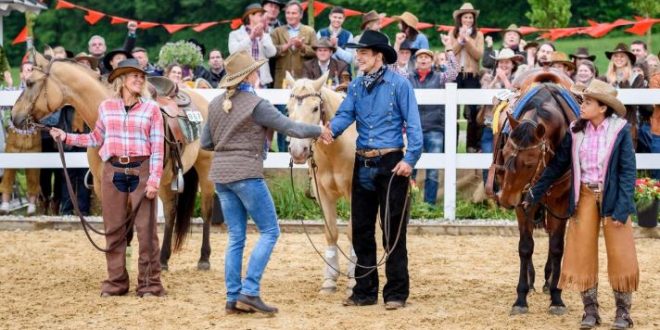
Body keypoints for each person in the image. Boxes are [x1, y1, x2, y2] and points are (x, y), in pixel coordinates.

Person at [200, 50, 332, 314]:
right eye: (255, 70)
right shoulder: (256, 104)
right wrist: (319, 129)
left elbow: (206, 143)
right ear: (249, 75)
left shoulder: (215, 104)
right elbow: (291, 127)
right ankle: (250, 292)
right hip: (246, 173)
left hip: (221, 176)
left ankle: (232, 297)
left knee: (236, 237)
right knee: (270, 231)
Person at [523, 79, 639, 330]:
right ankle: (590, 310)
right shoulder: (576, 131)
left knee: (621, 254)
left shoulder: (620, 131)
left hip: (612, 196)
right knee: (581, 252)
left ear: (603, 108)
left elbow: (628, 172)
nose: (582, 106)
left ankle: (623, 312)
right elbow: (557, 165)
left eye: (587, 102)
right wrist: (535, 191)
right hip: (584, 195)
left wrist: (622, 206)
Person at [49, 58, 166, 298]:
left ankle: (149, 284)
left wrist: (154, 179)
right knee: (113, 228)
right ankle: (116, 282)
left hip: (141, 169)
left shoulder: (151, 109)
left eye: (141, 76)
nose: (139, 79)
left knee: (146, 230)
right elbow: (96, 138)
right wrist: (66, 137)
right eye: (134, 76)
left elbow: (157, 148)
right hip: (112, 170)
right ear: (121, 80)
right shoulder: (107, 108)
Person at [329, 30, 423, 310]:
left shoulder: (400, 85)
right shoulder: (356, 86)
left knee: (393, 231)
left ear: (378, 56)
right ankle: (365, 291)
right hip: (362, 162)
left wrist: (410, 159)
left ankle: (395, 292)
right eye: (358, 53)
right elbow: (345, 114)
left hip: (392, 163)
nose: (358, 57)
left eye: (364, 53)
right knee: (361, 229)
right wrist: (328, 131)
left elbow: (415, 126)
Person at [408, 46, 458, 205]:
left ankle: (429, 205)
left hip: (434, 129)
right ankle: (409, 203)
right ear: (415, 61)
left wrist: (449, 50)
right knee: (409, 169)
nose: (423, 59)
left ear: (432, 61)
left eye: (427, 57)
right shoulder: (408, 78)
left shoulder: (440, 78)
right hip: (413, 129)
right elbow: (393, 68)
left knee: (433, 171)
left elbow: (454, 72)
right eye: (420, 57)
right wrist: (397, 45)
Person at [270, 0, 317, 152]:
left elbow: (316, 52)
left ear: (300, 15)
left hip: (303, 82)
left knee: (302, 118)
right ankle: (285, 152)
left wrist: (301, 47)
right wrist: (286, 46)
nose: (290, 16)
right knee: (283, 119)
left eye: (294, 13)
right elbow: (271, 52)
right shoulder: (277, 32)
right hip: (281, 80)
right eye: (288, 13)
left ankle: (305, 150)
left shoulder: (309, 31)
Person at [478, 48, 524, 184]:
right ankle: (489, 192)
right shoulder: (487, 77)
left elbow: (517, 97)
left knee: (507, 159)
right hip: (490, 126)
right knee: (488, 158)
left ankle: (503, 191)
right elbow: (482, 96)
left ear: (512, 64)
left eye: (507, 62)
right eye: (501, 62)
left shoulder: (518, 79)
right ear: (497, 65)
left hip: (509, 128)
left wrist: (504, 79)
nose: (504, 65)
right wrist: (496, 80)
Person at [0, 62, 40, 215]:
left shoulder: (39, 92)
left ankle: (32, 205)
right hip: (14, 135)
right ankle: (5, 203)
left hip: (33, 135)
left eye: (32, 70)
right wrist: (9, 84)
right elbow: (3, 107)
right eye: (27, 70)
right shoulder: (13, 90)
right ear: (22, 74)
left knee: (33, 171)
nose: (29, 73)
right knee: (9, 170)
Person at [445, 2, 484, 153]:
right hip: (456, 75)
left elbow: (478, 55)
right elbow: (449, 53)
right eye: (465, 17)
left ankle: (471, 145)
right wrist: (460, 41)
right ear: (460, 19)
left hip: (471, 76)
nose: (468, 20)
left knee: (472, 111)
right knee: (453, 110)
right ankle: (451, 146)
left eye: (470, 17)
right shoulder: (452, 33)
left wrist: (467, 40)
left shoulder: (478, 35)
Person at [228, 3, 277, 88]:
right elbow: (233, 52)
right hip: (242, 81)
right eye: (260, 15)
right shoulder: (234, 34)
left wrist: (262, 37)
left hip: (262, 82)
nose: (263, 18)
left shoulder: (265, 35)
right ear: (250, 16)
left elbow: (272, 53)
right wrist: (251, 37)